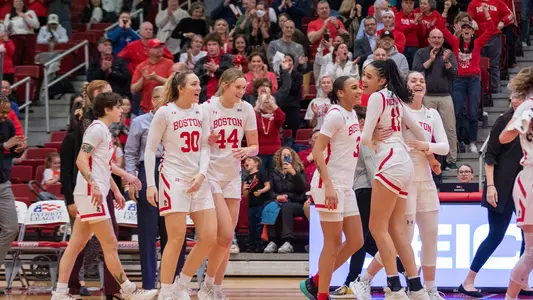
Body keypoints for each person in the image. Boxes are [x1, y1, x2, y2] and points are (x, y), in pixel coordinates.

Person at [351, 71, 449, 300]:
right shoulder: (396, 105)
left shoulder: (430, 113)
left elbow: (441, 146)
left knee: (429, 235)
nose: (418, 84)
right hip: (404, 173)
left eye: (422, 80)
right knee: (400, 233)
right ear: (404, 85)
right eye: (413, 80)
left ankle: (427, 288)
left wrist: (427, 149)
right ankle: (375, 281)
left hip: (420, 176)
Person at [51, 92, 157, 300]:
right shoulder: (96, 130)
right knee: (109, 243)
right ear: (107, 109)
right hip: (91, 193)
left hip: (91, 191)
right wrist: (94, 185)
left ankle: (60, 293)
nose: (121, 110)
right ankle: (128, 290)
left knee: (75, 245)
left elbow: (104, 165)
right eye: (117, 107)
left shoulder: (104, 131)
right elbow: (82, 160)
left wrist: (123, 180)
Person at [144, 71, 218, 299]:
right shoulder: (165, 112)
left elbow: (206, 146)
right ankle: (166, 291)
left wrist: (202, 173)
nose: (198, 88)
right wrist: (150, 184)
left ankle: (181, 284)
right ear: (180, 87)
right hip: (172, 177)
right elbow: (149, 149)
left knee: (209, 236)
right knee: (176, 238)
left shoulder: (202, 110)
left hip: (198, 177)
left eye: (199, 84)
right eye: (194, 84)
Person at [359, 59, 427, 299]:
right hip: (405, 163)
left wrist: (374, 138)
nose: (363, 81)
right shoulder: (397, 98)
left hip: (389, 161)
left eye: (368, 76)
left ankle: (394, 287)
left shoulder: (377, 98)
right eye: (363, 75)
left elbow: (365, 139)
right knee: (396, 230)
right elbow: (420, 131)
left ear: (382, 80)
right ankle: (417, 288)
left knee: (377, 227)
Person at [459, 86, 529, 297]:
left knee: (529, 237)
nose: (516, 100)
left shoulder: (528, 122)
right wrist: (490, 186)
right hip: (500, 187)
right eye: (514, 96)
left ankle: (522, 281)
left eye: (521, 96)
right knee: (495, 235)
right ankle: (468, 281)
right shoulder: (504, 121)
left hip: (522, 187)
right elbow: (490, 156)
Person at [299, 75, 364, 300]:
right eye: (354, 87)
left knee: (357, 240)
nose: (359, 90)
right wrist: (328, 185)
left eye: (359, 87)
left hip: (346, 186)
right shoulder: (335, 115)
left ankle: (316, 281)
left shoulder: (353, 114)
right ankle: (322, 294)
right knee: (333, 243)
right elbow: (317, 151)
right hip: (329, 184)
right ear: (340, 93)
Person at [199, 68, 259, 299]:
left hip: (233, 176)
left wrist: (247, 149)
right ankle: (206, 284)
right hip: (211, 174)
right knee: (223, 235)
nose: (242, 92)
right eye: (238, 87)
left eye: (244, 88)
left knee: (226, 238)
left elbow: (255, 146)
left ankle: (216, 288)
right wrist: (208, 140)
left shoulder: (246, 109)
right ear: (225, 85)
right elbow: (199, 142)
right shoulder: (207, 108)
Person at [437, 5, 494, 153]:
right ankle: (455, 141)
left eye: (469, 28)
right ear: (461, 31)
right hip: (459, 80)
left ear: (473, 31)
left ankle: (472, 143)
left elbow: (491, 30)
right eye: (464, 28)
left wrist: (487, 13)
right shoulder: (456, 42)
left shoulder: (478, 42)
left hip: (473, 80)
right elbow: (441, 29)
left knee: (474, 112)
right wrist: (445, 11)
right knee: (455, 111)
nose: (466, 30)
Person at [498, 66, 533, 300]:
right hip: (530, 177)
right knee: (531, 252)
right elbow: (503, 138)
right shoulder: (528, 106)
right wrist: (519, 124)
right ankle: (510, 298)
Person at [0, 93, 26, 296]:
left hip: (3, 183)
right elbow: (3, 148)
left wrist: (18, 150)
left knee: (11, 228)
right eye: (1, 111)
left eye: (7, 111)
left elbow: (9, 153)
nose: (5, 115)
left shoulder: (8, 124)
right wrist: (4, 146)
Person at [264, 146, 307, 253]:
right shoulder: (273, 173)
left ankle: (287, 242)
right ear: (279, 158)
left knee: (286, 207)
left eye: (288, 155)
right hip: (279, 201)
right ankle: (272, 241)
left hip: (296, 202)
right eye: (284, 155)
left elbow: (302, 188)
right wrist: (276, 197)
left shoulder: (299, 171)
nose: (286, 157)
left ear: (292, 158)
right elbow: (270, 191)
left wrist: (293, 173)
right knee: (270, 205)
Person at [243, 156, 271, 252]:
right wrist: (244, 189)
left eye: (249, 160)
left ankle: (259, 245)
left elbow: (268, 186)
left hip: (261, 203)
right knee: (252, 226)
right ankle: (251, 245)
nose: (246, 162)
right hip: (251, 205)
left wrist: (261, 191)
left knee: (259, 225)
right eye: (245, 161)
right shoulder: (247, 177)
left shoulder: (261, 174)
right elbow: (245, 195)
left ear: (256, 163)